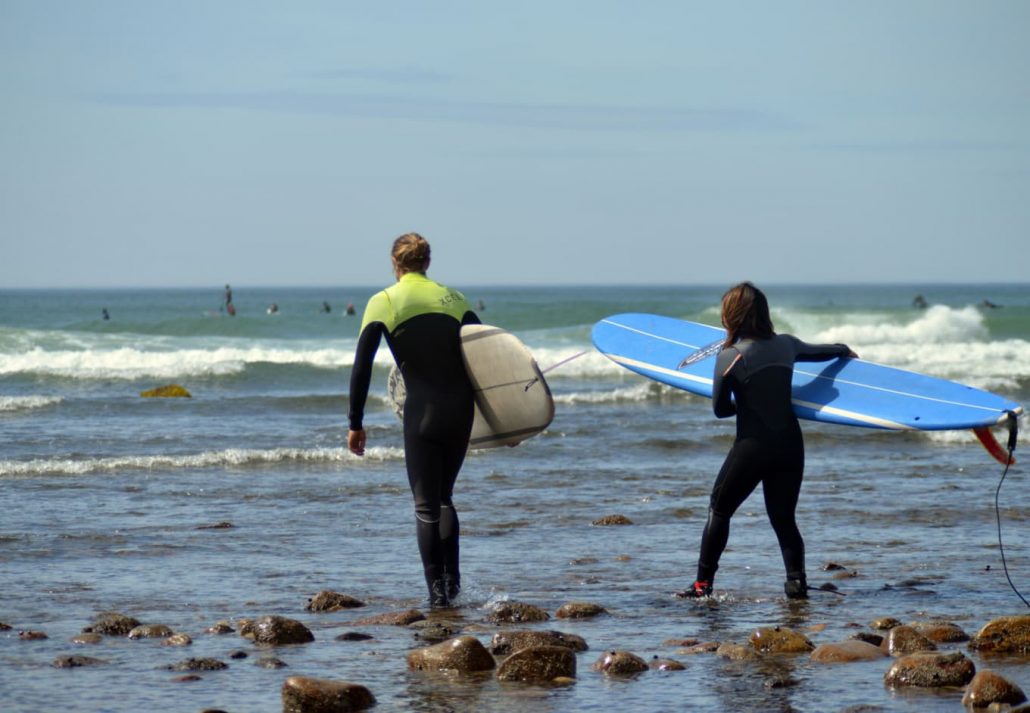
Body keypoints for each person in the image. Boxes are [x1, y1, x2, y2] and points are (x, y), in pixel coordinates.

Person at [678, 282, 856, 600]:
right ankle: (796, 584)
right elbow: (825, 351)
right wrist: (844, 351)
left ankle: (702, 586)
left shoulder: (729, 356)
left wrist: (742, 403)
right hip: (790, 444)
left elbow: (720, 410)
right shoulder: (787, 345)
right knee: (783, 518)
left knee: (719, 510)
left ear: (730, 316)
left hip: (752, 446)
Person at [347, 233, 480, 607]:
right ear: (428, 262)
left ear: (396, 264)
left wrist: (355, 422)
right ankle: (454, 591)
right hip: (461, 410)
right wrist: (507, 416)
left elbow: (362, 367)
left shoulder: (384, 301)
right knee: (445, 499)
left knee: (425, 505)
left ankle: (437, 599)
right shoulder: (455, 300)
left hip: (422, 412)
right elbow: (488, 357)